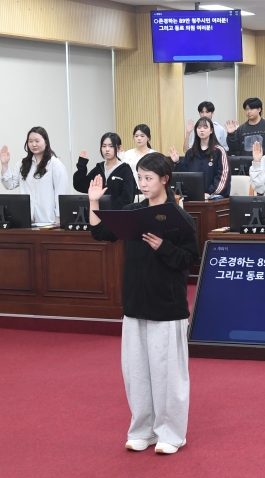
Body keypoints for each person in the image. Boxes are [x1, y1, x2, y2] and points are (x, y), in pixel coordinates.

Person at [88, 153, 199, 455]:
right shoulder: (132, 211)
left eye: (149, 177)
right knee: (136, 373)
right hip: (135, 305)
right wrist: (94, 202)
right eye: (140, 177)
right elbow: (101, 232)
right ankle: (143, 430)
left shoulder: (179, 217)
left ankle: (171, 434)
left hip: (166, 306)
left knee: (168, 376)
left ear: (165, 180)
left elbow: (189, 261)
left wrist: (163, 247)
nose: (143, 183)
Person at [0, 126, 69, 226]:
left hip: (48, 222)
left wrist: (59, 219)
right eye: (30, 141)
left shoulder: (55, 164)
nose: (34, 144)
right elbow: (9, 185)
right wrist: (4, 165)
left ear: (46, 142)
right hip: (26, 221)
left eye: (37, 141)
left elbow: (61, 193)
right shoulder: (22, 164)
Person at [169, 117, 231, 198]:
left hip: (215, 197)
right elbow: (184, 176)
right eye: (199, 127)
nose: (202, 130)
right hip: (193, 196)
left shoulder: (219, 151)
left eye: (205, 127)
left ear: (211, 130)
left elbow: (223, 176)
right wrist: (177, 162)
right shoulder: (190, 152)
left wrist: (210, 193)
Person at [73, 132, 136, 210]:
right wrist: (82, 165)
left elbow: (127, 197)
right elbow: (80, 185)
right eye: (104, 146)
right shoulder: (99, 168)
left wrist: (110, 211)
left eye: (111, 146)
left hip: (118, 216)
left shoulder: (125, 169)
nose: (107, 149)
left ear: (119, 148)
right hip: (97, 215)